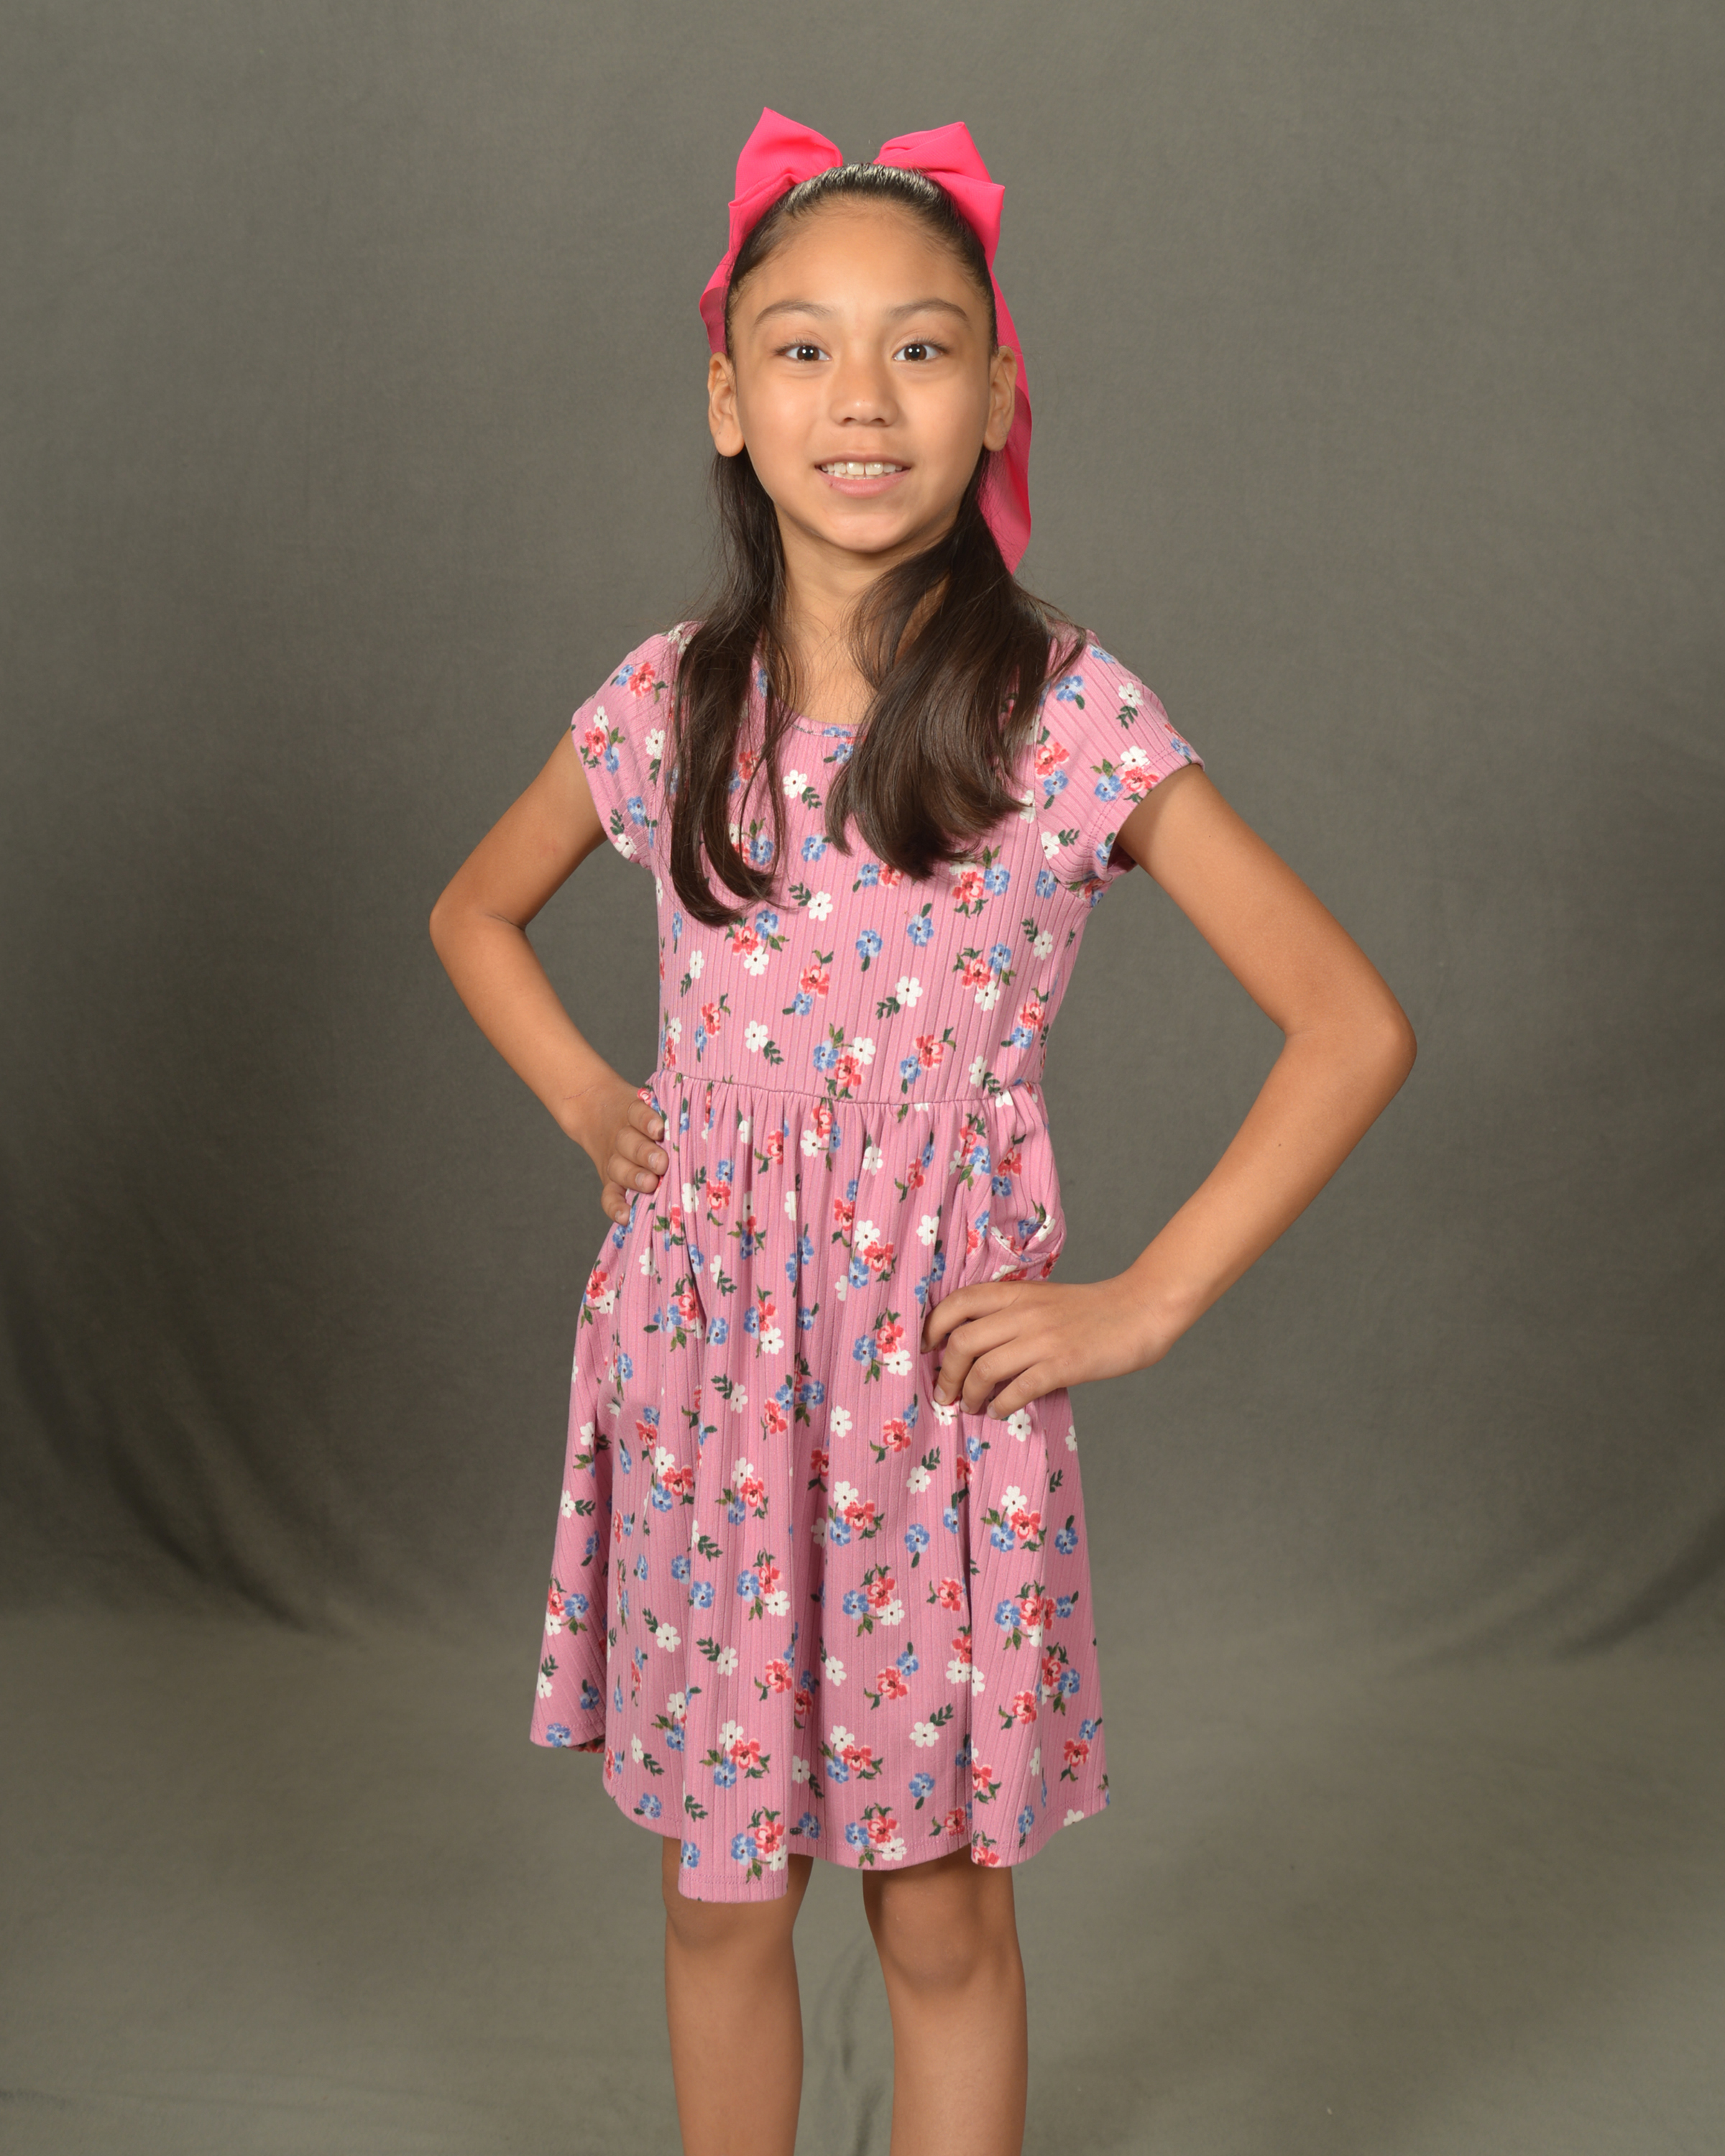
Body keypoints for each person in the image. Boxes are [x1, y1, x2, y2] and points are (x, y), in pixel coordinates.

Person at [429, 108, 1415, 2156]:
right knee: (717, 1905)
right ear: (728, 399)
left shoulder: (1064, 716)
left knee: (942, 1917)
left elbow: (1349, 1023)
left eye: (921, 347)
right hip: (707, 1392)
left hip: (923, 1411)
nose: (861, 397)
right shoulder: (663, 703)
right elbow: (472, 912)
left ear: (998, 395)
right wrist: (598, 1101)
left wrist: (1140, 1302)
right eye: (801, 347)